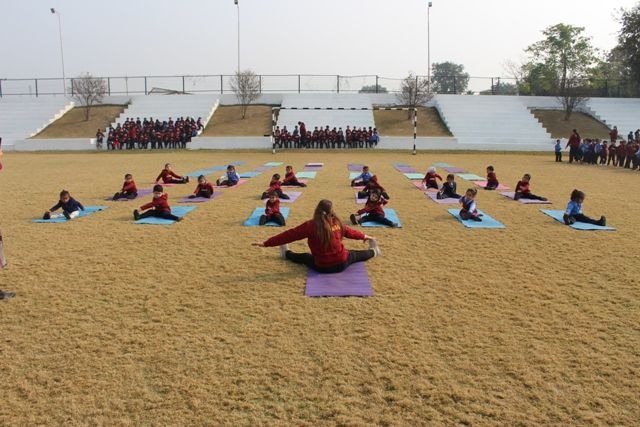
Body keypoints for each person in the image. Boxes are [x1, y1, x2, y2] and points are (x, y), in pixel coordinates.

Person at [254, 199, 380, 274]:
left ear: (317, 210)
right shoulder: (337, 221)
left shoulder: (311, 225)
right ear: (331, 211)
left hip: (322, 267)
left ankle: (285, 254)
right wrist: (365, 236)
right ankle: (374, 251)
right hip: (342, 263)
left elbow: (290, 235)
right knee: (355, 255)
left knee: (304, 257)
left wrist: (266, 243)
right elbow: (349, 232)